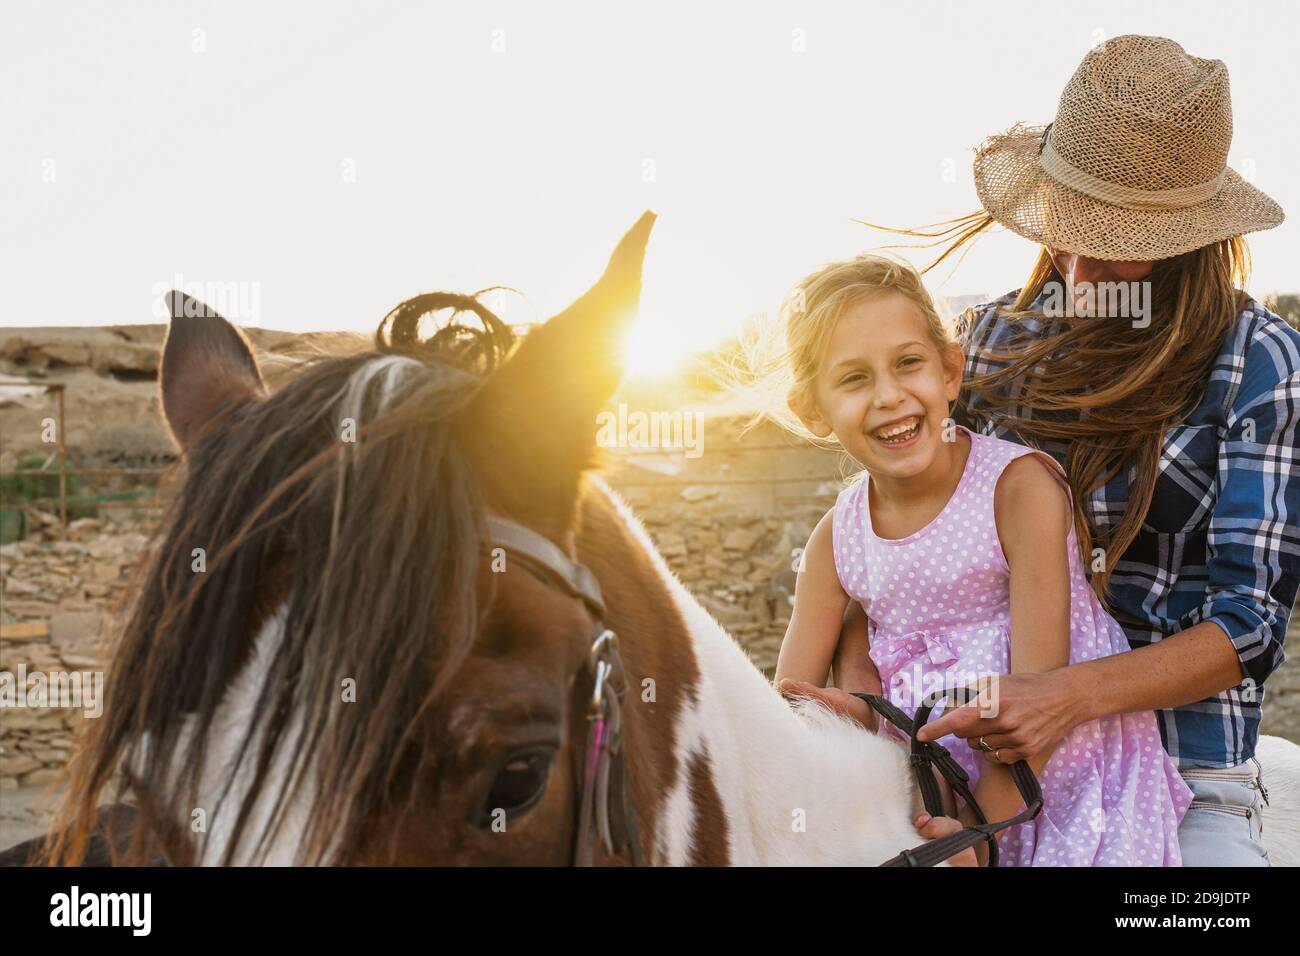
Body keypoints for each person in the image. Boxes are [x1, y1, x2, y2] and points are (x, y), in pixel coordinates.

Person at [813, 35, 1299, 865]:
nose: (1077, 259)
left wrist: (1061, 698)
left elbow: (1247, 627)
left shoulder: (1261, 365)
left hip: (1185, 760)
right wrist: (858, 665)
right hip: (965, 755)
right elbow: (903, 532)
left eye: (1118, 234)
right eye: (1069, 218)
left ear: (1191, 235)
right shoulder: (994, 342)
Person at [771, 253, 1191, 865]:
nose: (889, 396)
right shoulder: (838, 539)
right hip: (922, 803)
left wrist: (978, 838)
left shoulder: (1016, 490)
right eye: (854, 379)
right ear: (812, 409)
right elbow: (791, 708)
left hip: (1049, 782)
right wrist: (851, 717)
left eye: (908, 364)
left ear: (949, 372)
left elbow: (1036, 694)